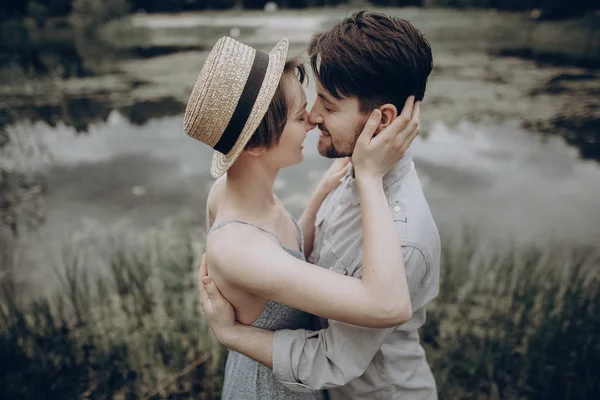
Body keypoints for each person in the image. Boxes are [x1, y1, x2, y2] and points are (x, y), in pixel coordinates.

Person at [198, 11, 440, 400]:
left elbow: (329, 353)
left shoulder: (401, 236)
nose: (312, 118)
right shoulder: (358, 168)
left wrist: (232, 334)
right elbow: (281, 262)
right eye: (302, 113)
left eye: (326, 104)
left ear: (383, 119)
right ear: (257, 145)